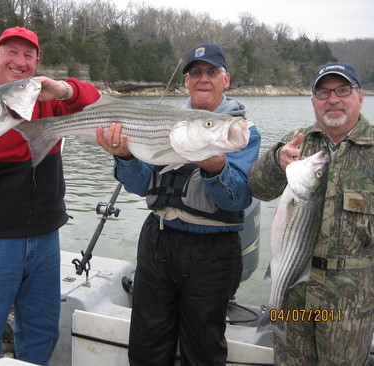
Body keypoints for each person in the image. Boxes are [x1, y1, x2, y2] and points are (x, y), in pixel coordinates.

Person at [0, 26, 100, 366]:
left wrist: (65, 89)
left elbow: (95, 105)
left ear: (37, 62)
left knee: (42, 331)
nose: (20, 62)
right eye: (12, 52)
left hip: (45, 235)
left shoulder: (48, 101)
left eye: (28, 55)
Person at [96, 43, 261, 365]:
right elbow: (141, 185)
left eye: (212, 72)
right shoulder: (164, 121)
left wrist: (216, 166)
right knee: (147, 342)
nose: (203, 78)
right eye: (195, 72)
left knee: (202, 347)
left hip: (212, 252)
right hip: (159, 241)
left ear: (226, 79)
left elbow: (239, 197)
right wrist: (125, 156)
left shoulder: (241, 131)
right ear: (186, 81)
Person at [248, 62, 374, 365]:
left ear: (360, 97)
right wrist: (276, 162)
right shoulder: (298, 141)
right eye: (323, 92)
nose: (333, 99)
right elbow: (258, 188)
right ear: (313, 101)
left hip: (350, 303)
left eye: (343, 90)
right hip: (292, 292)